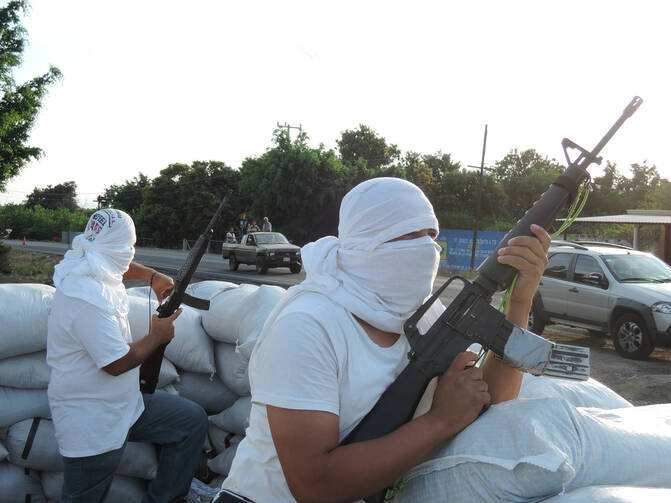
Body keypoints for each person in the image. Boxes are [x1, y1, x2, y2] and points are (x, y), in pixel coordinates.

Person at [215, 177, 550, 503]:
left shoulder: (425, 313)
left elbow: (491, 402)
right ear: (364, 241)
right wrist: (439, 421)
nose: (424, 248)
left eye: (430, 235)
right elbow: (313, 485)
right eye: (406, 236)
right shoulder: (308, 324)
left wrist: (521, 299)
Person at [47, 208, 208, 503]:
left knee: (191, 422)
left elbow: (119, 265)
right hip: (92, 424)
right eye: (129, 247)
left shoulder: (89, 262)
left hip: (124, 408)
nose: (129, 254)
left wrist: (153, 276)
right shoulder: (86, 296)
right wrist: (157, 336)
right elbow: (116, 363)